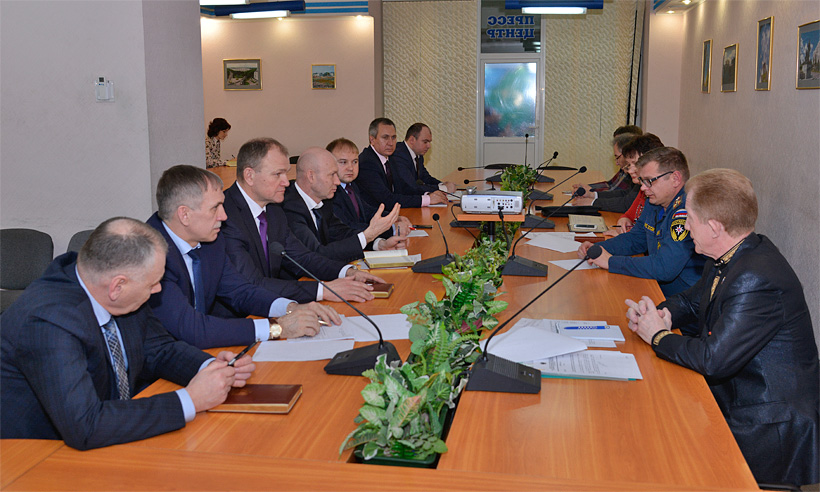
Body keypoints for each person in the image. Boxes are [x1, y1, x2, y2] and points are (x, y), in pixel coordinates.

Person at [625, 169, 818, 487]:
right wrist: (660, 315)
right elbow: (691, 301)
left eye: (689, 219)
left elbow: (713, 359)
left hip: (767, 422)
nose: (685, 227)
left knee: (664, 458)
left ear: (714, 227)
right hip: (737, 396)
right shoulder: (733, 253)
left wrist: (657, 335)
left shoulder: (755, 276)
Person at [0, 217, 255, 450]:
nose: (158, 290)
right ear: (117, 286)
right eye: (153, 283)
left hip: (112, 434)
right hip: (33, 455)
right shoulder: (50, 322)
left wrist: (211, 369)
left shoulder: (106, 282)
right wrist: (189, 400)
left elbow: (160, 349)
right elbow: (86, 426)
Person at [147, 165, 340, 349]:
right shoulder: (151, 256)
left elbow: (240, 290)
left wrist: (290, 308)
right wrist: (277, 328)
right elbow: (192, 329)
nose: (224, 216)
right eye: (215, 208)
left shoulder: (211, 241)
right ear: (184, 215)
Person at [221, 138, 385, 305]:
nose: (286, 182)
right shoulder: (225, 215)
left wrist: (347, 272)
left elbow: (302, 257)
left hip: (271, 303)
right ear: (249, 176)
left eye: (286, 173)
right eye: (278, 174)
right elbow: (251, 283)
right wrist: (324, 290)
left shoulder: (273, 210)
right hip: (237, 314)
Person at [577, 147, 704, 296]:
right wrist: (598, 249)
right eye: (643, 181)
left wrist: (611, 262)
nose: (643, 188)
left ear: (675, 179)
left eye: (649, 181)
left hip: (680, 298)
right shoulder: (655, 201)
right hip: (653, 284)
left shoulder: (687, 211)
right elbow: (636, 239)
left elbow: (664, 268)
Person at [282, 147, 407, 263]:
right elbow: (316, 254)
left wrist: (379, 244)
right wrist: (369, 235)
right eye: (332, 175)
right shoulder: (290, 207)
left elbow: (341, 233)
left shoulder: (324, 201)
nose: (337, 182)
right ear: (311, 176)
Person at [355, 118, 448, 209]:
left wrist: (428, 194)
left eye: (393, 137)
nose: (391, 143)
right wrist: (427, 199)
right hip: (375, 216)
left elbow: (403, 188)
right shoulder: (367, 163)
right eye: (385, 137)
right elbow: (387, 200)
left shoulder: (390, 157)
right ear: (372, 140)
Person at [327, 138, 412, 238]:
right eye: (343, 162)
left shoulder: (352, 185)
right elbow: (348, 227)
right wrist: (391, 229)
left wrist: (393, 217)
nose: (350, 168)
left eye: (355, 162)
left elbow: (366, 211)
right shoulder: (330, 193)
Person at [603, 133, 665, 237]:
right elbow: (629, 215)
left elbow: (648, 235)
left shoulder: (656, 194)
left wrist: (625, 236)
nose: (629, 170)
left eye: (635, 163)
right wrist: (623, 219)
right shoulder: (643, 189)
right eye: (629, 164)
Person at [573, 132, 642, 212]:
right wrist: (592, 194)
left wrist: (593, 201)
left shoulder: (635, 174)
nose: (616, 163)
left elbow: (625, 203)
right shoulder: (631, 172)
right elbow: (620, 191)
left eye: (617, 157)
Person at [390, 123, 457, 195]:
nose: (429, 146)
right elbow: (410, 186)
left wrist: (441, 184)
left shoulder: (418, 155)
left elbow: (425, 178)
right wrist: (443, 188)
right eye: (425, 142)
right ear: (412, 140)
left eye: (429, 142)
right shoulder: (398, 154)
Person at [577, 125, 643, 193]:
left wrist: (591, 192)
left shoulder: (634, 171)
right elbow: (610, 184)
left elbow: (617, 192)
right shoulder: (626, 167)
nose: (615, 145)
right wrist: (589, 187)